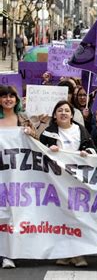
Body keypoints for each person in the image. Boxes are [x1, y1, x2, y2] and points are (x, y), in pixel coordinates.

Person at [39, 100, 96, 267]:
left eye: (66, 110)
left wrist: (86, 153)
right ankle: (64, 253)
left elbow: (93, 149)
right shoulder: (48, 133)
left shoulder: (81, 130)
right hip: (56, 181)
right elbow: (37, 151)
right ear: (55, 115)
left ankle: (78, 254)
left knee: (77, 216)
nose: (63, 113)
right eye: (60, 110)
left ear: (72, 114)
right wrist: (48, 149)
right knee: (60, 216)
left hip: (77, 180)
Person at [0, 85, 35, 269]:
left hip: (19, 177)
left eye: (11, 96)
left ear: (16, 99)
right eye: (4, 96)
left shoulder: (23, 119)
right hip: (1, 175)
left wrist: (31, 134)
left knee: (15, 214)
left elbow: (36, 144)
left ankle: (12, 253)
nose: (8, 99)